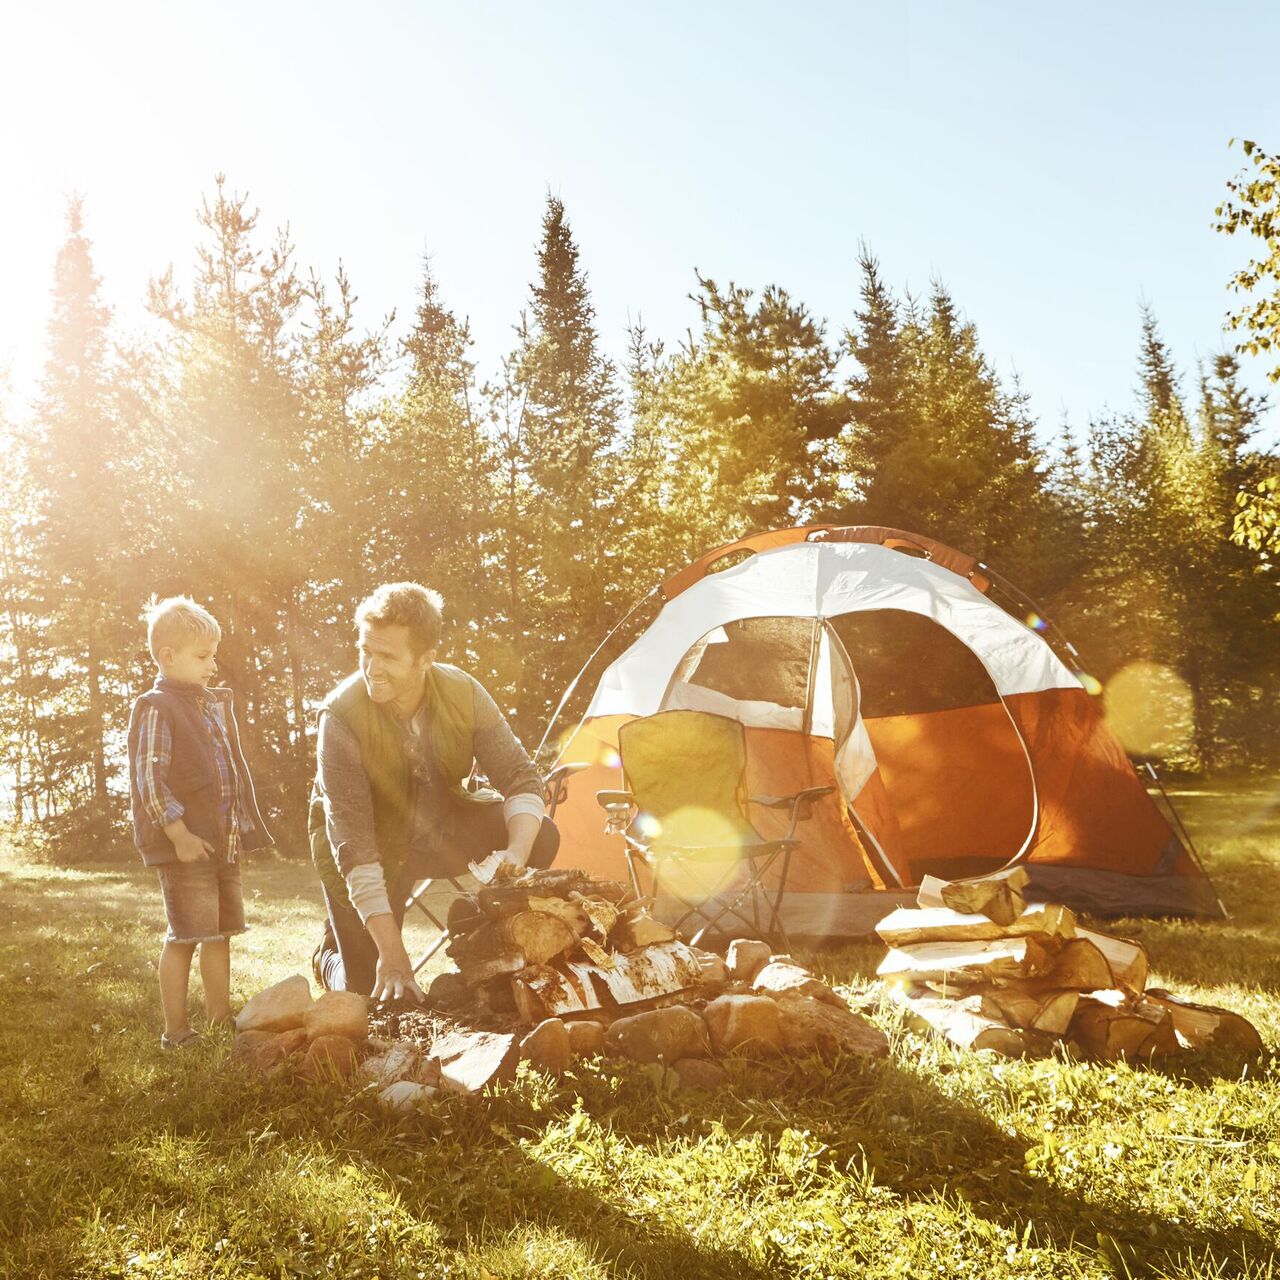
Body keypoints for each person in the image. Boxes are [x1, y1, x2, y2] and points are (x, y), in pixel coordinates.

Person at [309, 582, 558, 1001]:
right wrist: (392, 954)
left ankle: (490, 954)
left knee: (542, 833)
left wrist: (515, 855)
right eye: (365, 650)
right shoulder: (340, 717)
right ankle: (328, 954)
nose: (371, 668)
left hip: (439, 828)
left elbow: (520, 776)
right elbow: (353, 843)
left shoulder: (464, 691)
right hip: (368, 845)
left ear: (426, 659)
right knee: (364, 990)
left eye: (387, 656)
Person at [126, 596, 272, 1049]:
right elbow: (149, 780)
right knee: (186, 935)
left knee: (219, 934)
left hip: (219, 841)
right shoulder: (156, 707)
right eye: (203, 656)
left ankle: (217, 1018)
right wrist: (178, 833)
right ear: (169, 657)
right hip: (185, 845)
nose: (213, 664)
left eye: (214, 655)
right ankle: (175, 1031)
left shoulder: (210, 705)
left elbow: (226, 772)